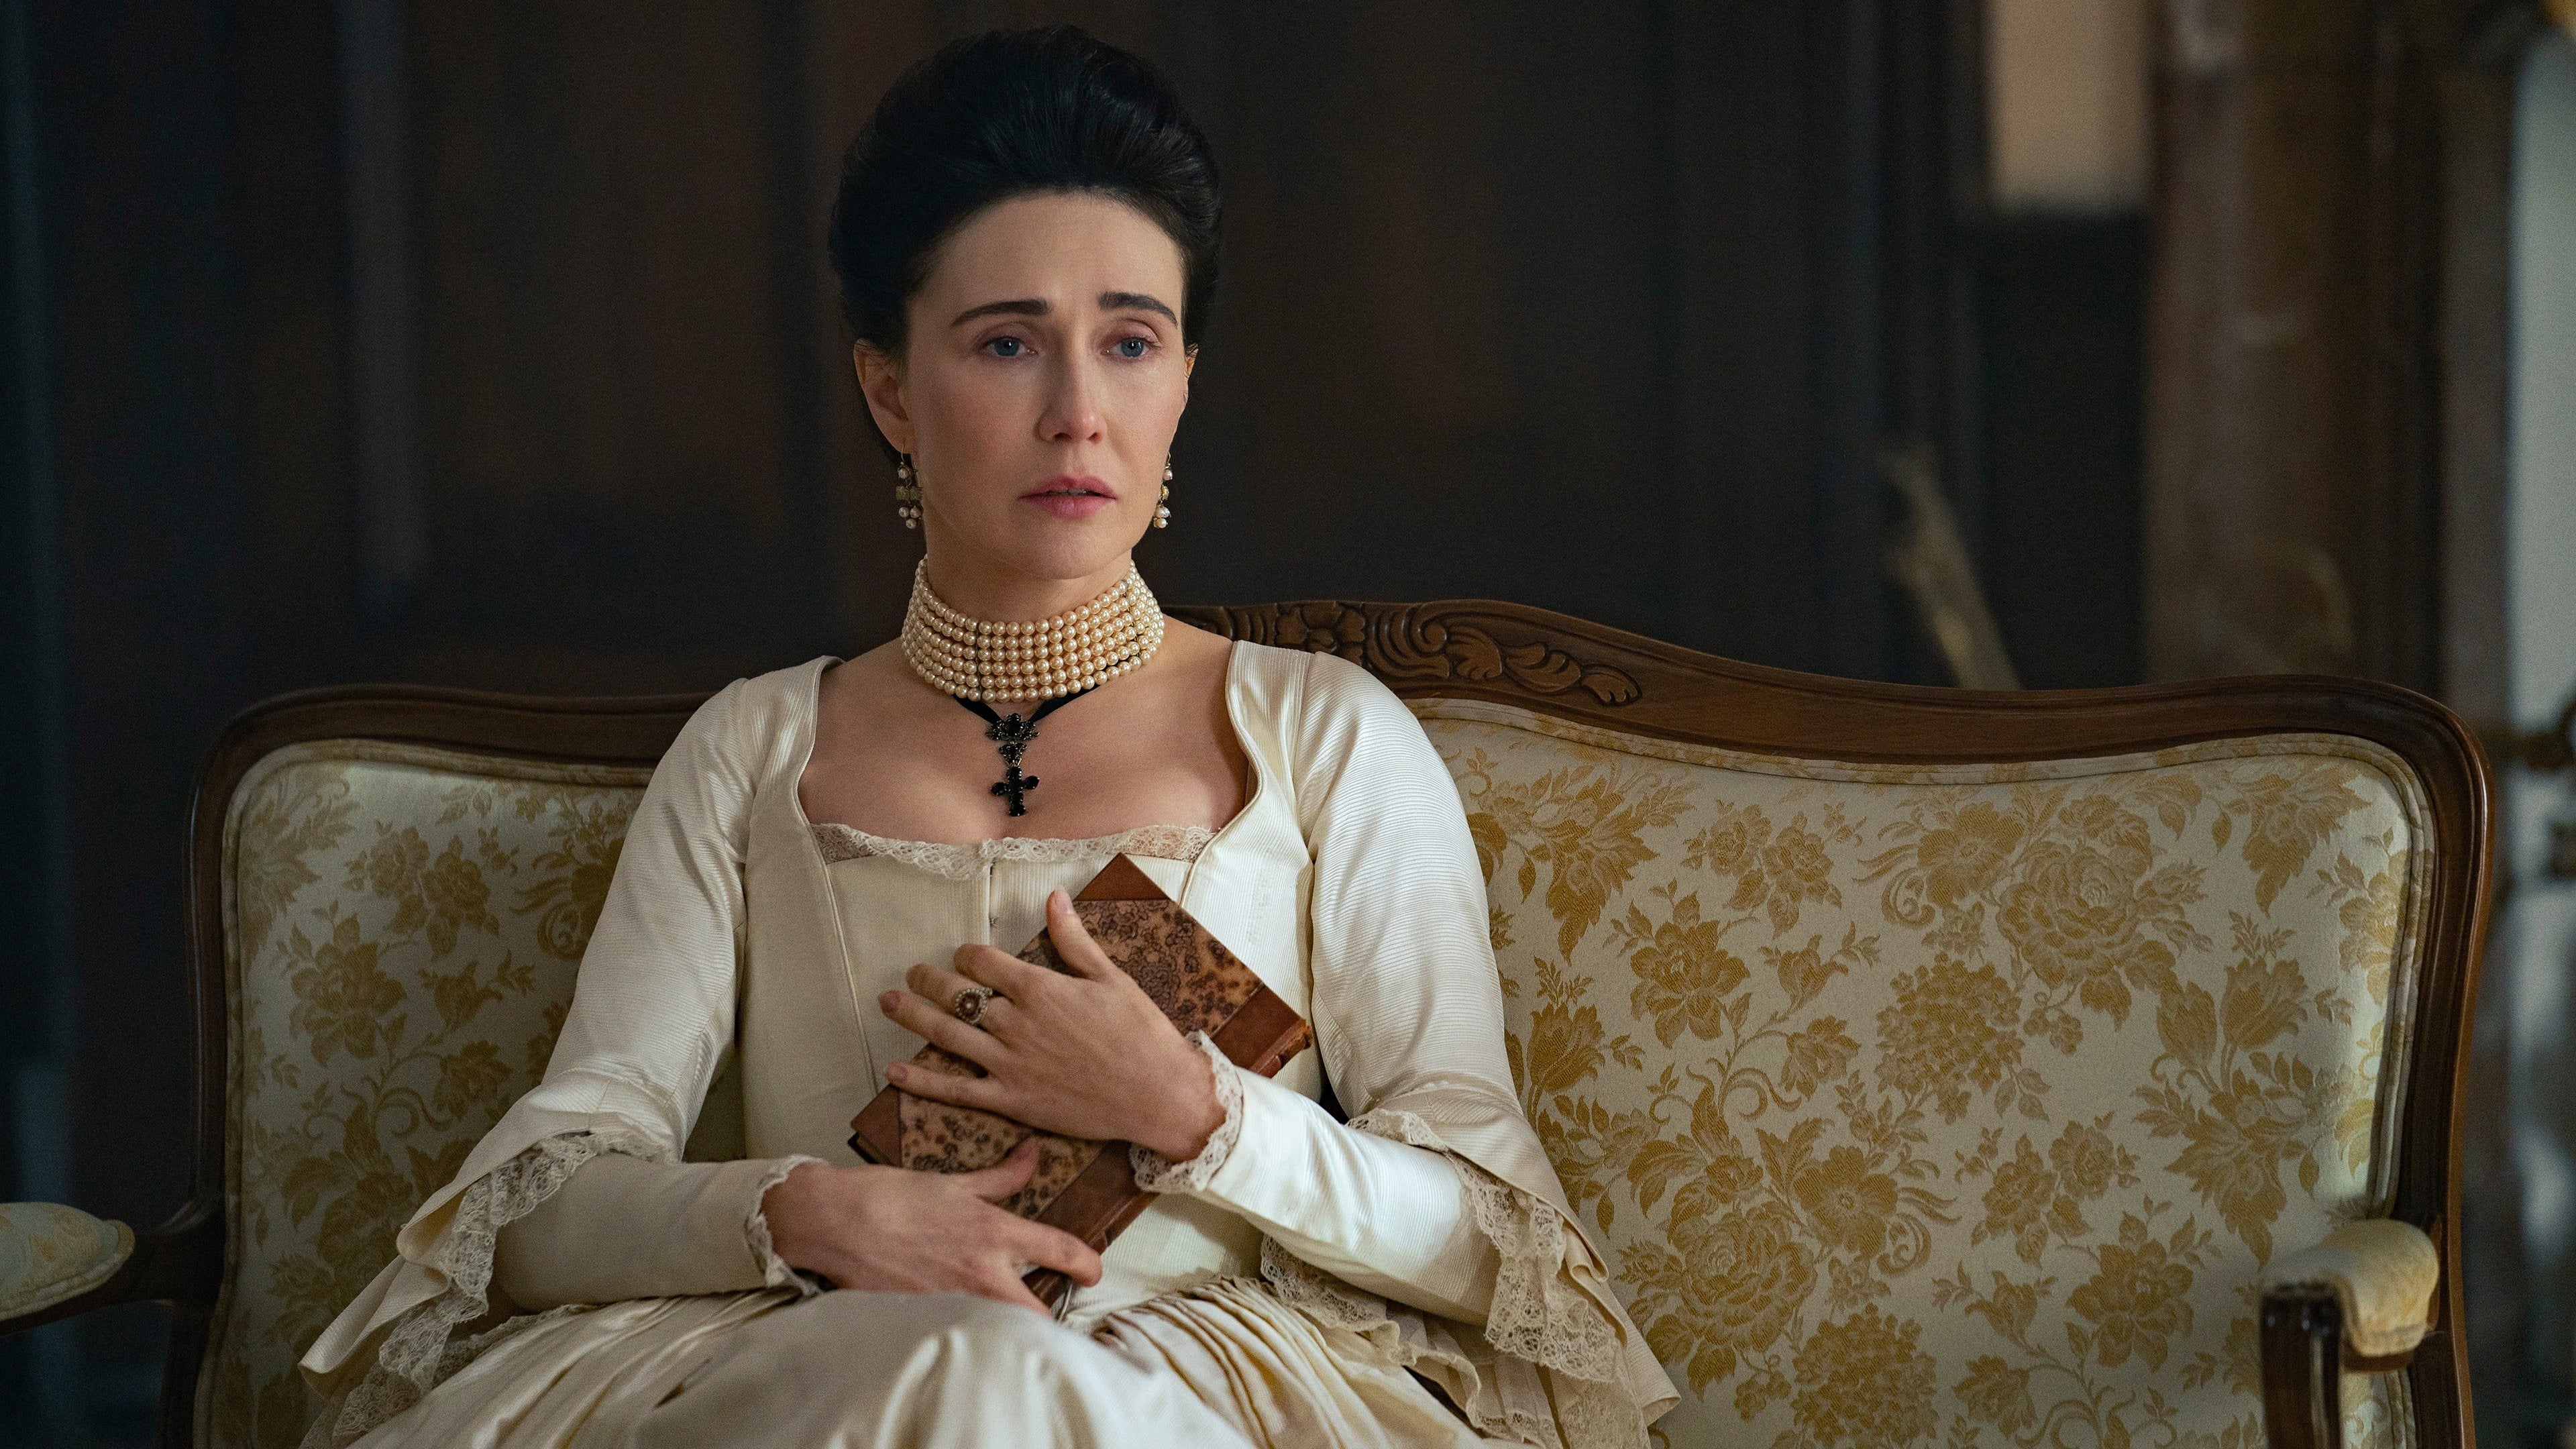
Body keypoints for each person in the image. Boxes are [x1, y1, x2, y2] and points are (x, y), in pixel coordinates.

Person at [297, 27, 1676, 1449]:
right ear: (890, 390)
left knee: (998, 1384)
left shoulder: (1322, 736)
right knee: (944, 1373)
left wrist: (1197, 1111)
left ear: (1183, 382)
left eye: (1130, 343)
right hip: (822, 1364)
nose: (1078, 414)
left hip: (1192, 1401)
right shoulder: (754, 747)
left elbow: (1496, 1249)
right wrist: (810, 1214)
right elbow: (540, 1211)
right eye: (1008, 343)